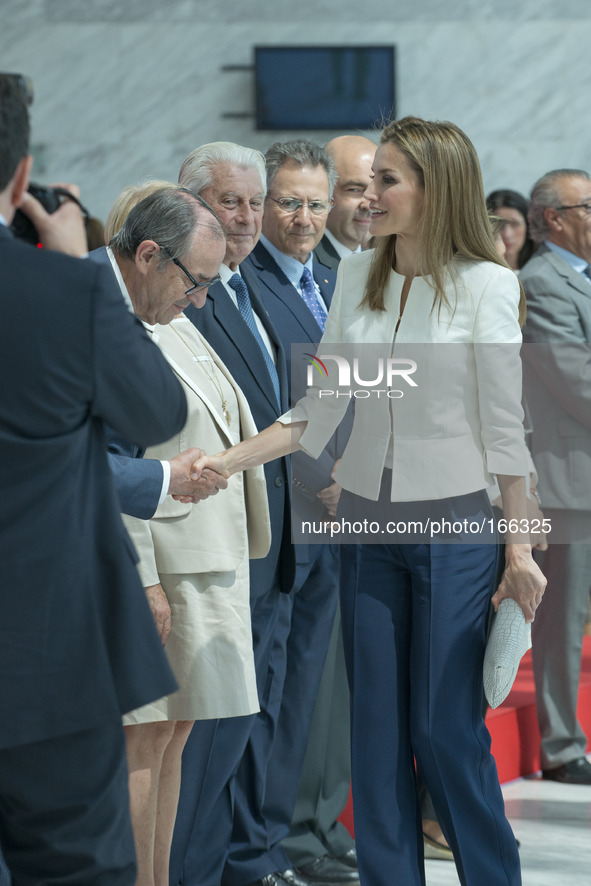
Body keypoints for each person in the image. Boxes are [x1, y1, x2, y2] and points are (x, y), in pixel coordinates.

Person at [189, 116, 547, 886]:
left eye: (386, 180)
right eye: (369, 178)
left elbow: (505, 434)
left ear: (433, 188)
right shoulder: (357, 275)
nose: (368, 195)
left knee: (444, 731)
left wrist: (517, 551)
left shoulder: (489, 284)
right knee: (375, 734)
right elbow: (320, 408)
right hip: (366, 525)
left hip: (456, 528)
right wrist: (225, 461)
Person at [0, 75, 185, 886]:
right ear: (20, 177)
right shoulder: (65, 290)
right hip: (44, 652)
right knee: (76, 866)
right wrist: (86, 276)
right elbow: (154, 413)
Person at [89, 183, 232, 886]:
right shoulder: (76, 309)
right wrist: (162, 482)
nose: (198, 302)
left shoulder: (128, 310)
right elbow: (55, 456)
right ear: (149, 254)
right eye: (195, 282)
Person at [169, 142, 299, 886]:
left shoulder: (257, 287)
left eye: (256, 201)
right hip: (213, 542)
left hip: (277, 543)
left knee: (251, 730)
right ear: (192, 206)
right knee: (205, 741)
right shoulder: (183, 297)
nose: (248, 217)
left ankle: (234, 863)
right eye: (231, 201)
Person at [242, 138, 356, 886]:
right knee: (286, 689)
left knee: (328, 683)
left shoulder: (336, 275)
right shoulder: (244, 282)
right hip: (287, 504)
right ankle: (276, 838)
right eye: (289, 201)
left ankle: (316, 821)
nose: (305, 217)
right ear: (261, 205)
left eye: (317, 202)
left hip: (351, 502)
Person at [520, 168, 591, 785]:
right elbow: (578, 383)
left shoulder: (583, 281)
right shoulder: (541, 284)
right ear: (553, 218)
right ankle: (562, 744)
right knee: (562, 619)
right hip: (569, 480)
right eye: (588, 205)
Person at [486, 189, 535, 271]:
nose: (507, 234)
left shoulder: (539, 268)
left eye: (515, 224)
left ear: (527, 225)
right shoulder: (481, 272)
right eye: (499, 225)